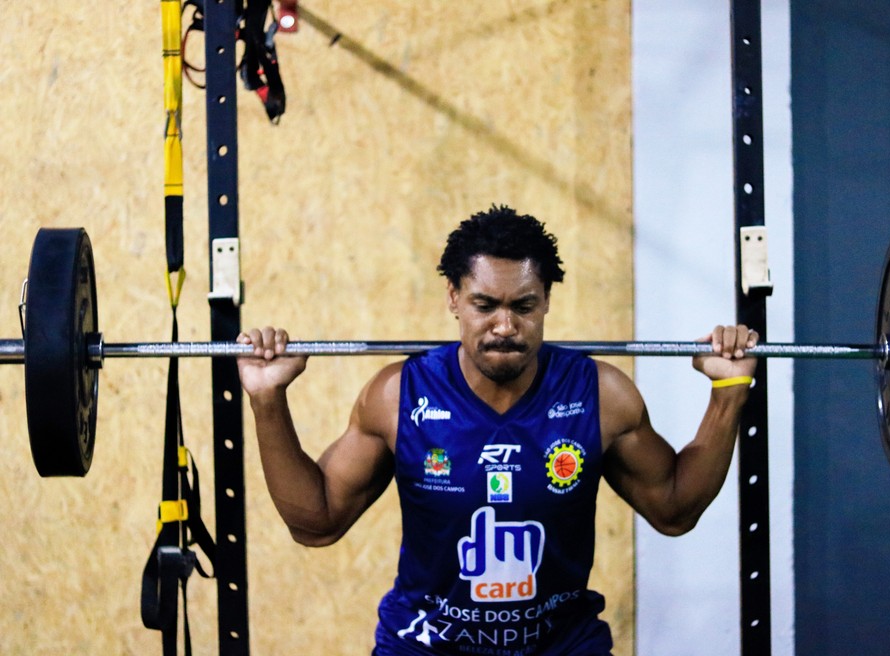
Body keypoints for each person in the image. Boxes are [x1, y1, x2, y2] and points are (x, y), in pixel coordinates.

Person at [237, 205, 758, 656]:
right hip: (425, 641)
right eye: (485, 305)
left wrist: (729, 391)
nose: (504, 326)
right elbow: (317, 522)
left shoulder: (600, 395)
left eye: (523, 306)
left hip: (560, 643)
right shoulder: (400, 396)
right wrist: (267, 400)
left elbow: (673, 509)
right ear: (454, 299)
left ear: (547, 301)